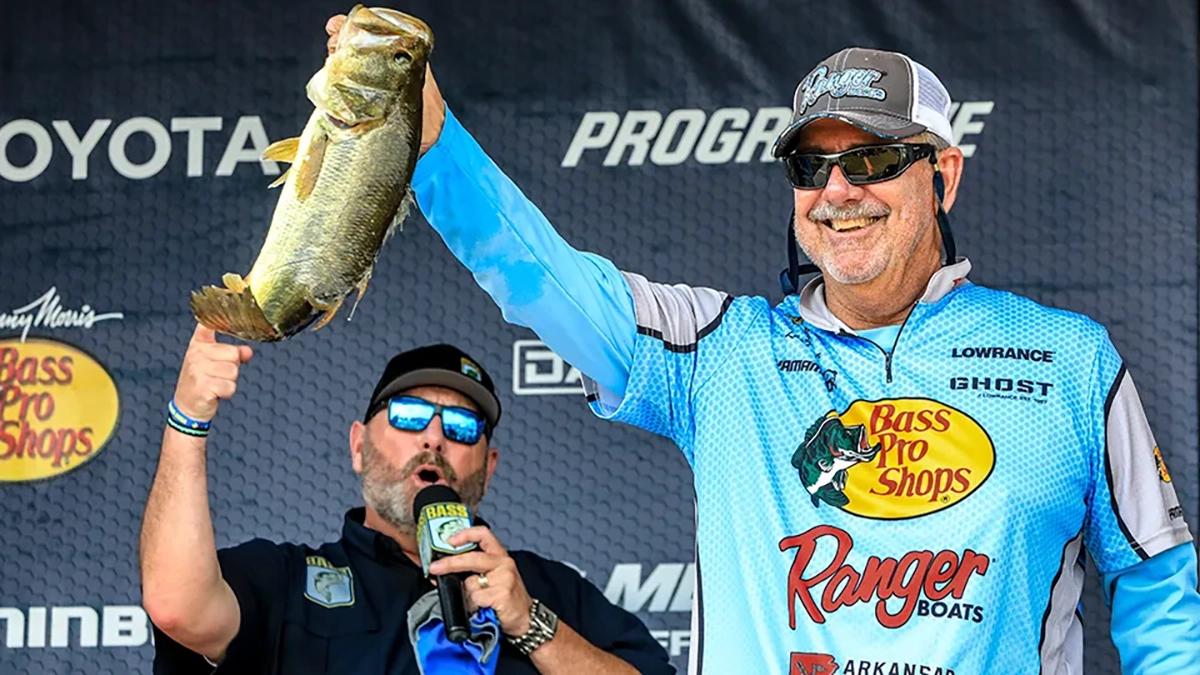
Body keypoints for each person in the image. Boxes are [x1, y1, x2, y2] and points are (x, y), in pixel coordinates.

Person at [323, 13, 1200, 675]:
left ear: (945, 172)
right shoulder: (721, 353)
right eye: (812, 165)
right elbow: (540, 274)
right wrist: (427, 138)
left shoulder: (1070, 361)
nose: (837, 191)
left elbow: (1161, 593)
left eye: (874, 160)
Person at [139, 328, 675, 675]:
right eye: (409, 417)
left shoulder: (549, 590)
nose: (434, 438)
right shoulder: (287, 579)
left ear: (488, 469)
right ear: (358, 445)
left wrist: (530, 624)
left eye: (463, 427)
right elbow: (177, 606)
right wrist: (188, 416)